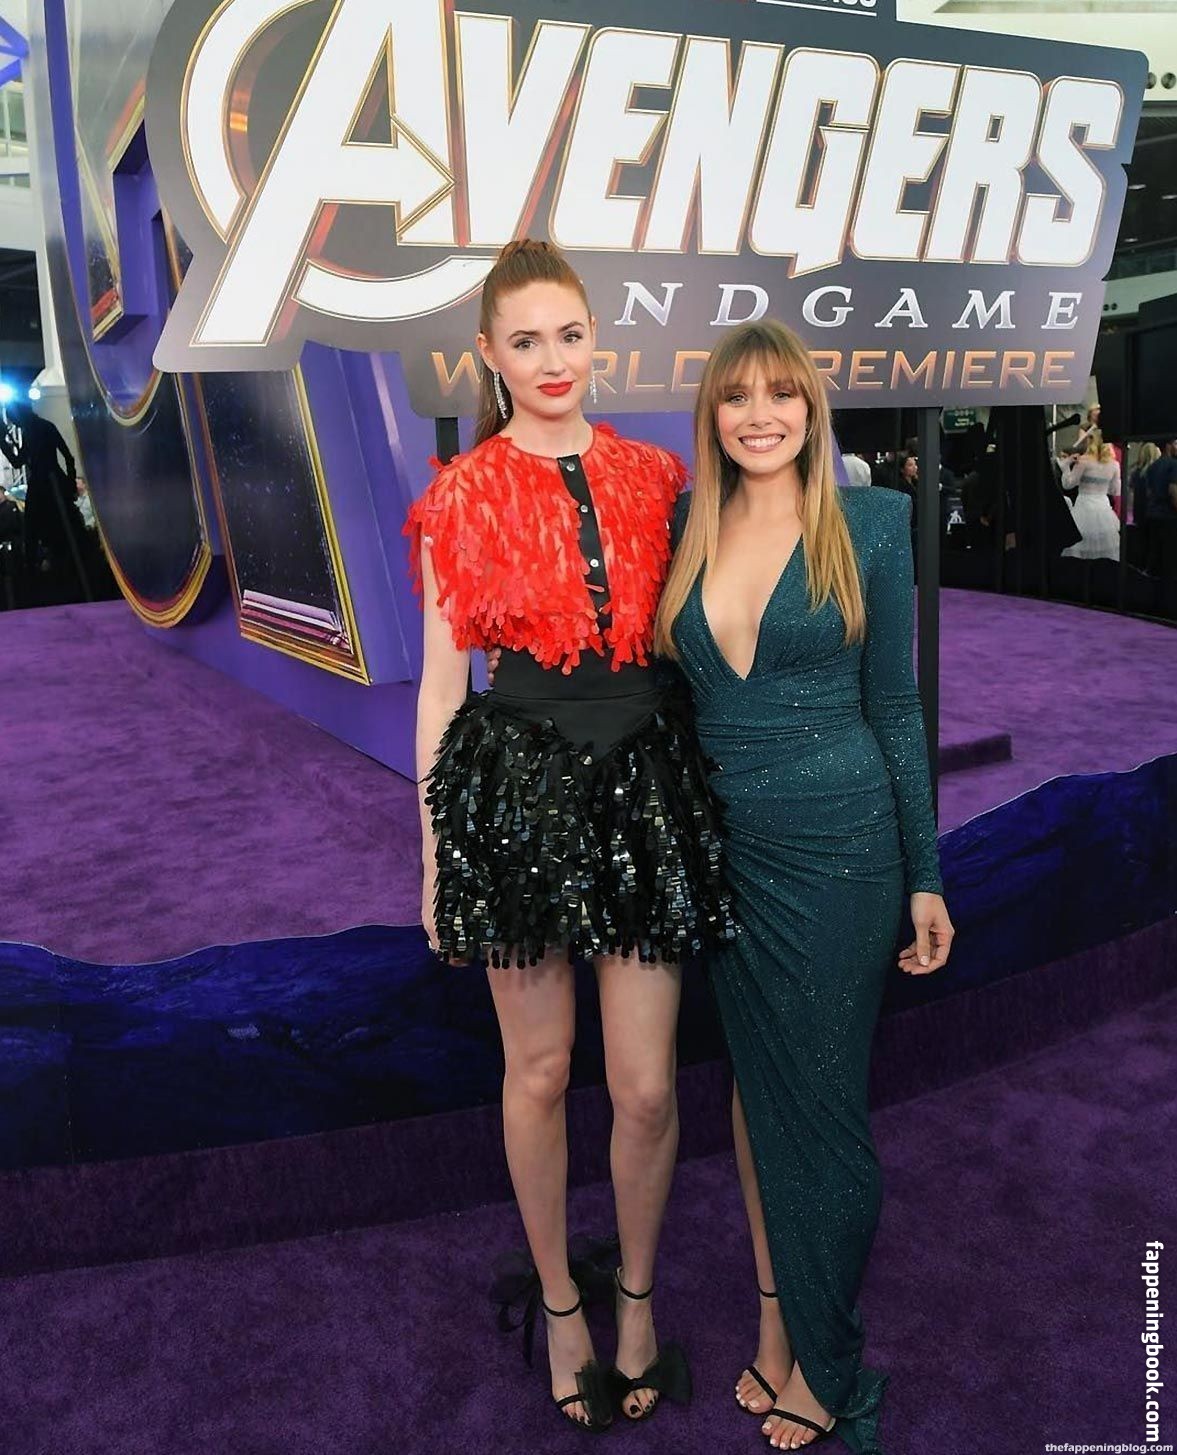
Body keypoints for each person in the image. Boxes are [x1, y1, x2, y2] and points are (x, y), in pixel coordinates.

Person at [404, 239, 735, 1434]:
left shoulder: (657, 476)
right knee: (539, 1072)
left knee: (644, 1089)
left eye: (570, 335)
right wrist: (434, 853)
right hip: (518, 798)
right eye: (525, 341)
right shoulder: (458, 496)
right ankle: (559, 1304)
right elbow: (443, 687)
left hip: (645, 787)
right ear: (488, 356)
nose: (553, 360)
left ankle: (635, 1298)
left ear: (596, 339)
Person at [654, 319, 954, 1453]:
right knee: (757, 1094)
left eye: (782, 394)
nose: (760, 415)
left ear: (812, 409)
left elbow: (896, 708)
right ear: (713, 415)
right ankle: (777, 1327)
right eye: (738, 397)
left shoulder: (868, 523)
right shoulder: (687, 525)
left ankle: (829, 1363)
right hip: (727, 857)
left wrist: (925, 874)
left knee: (820, 1112)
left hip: (839, 851)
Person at [1060, 433, 1121, 561]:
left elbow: (1068, 484)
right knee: (1104, 548)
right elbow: (1115, 491)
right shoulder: (1114, 465)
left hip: (1084, 507)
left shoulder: (1084, 461)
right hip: (1103, 509)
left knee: (1079, 544)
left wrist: (1065, 467)